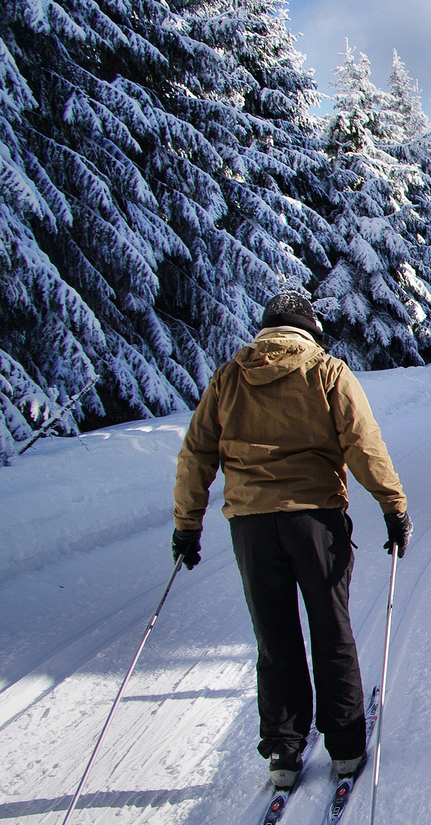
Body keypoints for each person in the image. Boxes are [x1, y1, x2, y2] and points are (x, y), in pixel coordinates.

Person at [171, 291, 413, 789]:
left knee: (274, 636)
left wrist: (187, 525)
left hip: (252, 527)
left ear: (266, 330)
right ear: (309, 332)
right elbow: (362, 444)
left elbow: (196, 455)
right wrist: (393, 506)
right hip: (316, 521)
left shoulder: (229, 377)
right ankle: (345, 747)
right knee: (331, 629)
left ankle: (283, 749)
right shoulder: (327, 371)